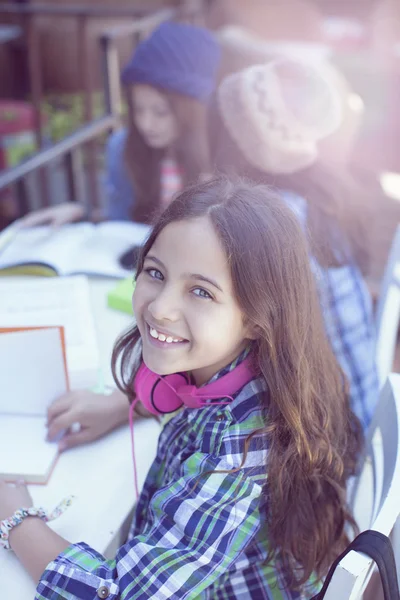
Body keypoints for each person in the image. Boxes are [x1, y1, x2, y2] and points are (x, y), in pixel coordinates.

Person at [0, 176, 363, 599]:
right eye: (155, 272)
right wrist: (123, 405)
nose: (159, 307)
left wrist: (17, 519)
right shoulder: (262, 367)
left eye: (200, 291)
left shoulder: (236, 457)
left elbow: (117, 594)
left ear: (256, 317)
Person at [209, 58, 379, 432]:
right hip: (361, 409)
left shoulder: (267, 226)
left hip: (326, 439)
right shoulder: (320, 196)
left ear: (234, 142)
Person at [20, 21, 220, 226]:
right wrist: (79, 213)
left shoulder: (220, 152)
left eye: (160, 112)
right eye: (138, 109)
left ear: (192, 111)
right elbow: (122, 222)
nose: (146, 124)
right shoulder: (122, 147)